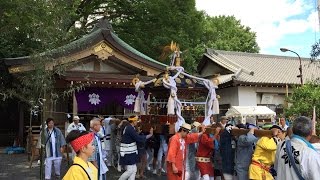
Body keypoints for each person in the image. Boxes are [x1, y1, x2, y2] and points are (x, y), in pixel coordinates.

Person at [119, 115, 153, 180]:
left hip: (130, 151)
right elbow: (138, 138)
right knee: (130, 170)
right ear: (133, 121)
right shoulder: (130, 128)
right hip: (128, 152)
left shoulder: (129, 127)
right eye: (136, 121)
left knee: (134, 170)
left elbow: (135, 137)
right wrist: (150, 135)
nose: (137, 122)